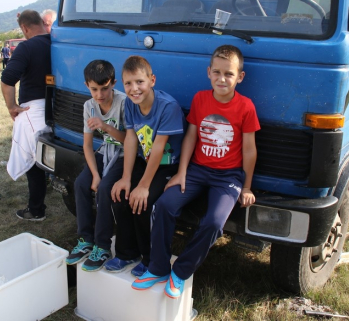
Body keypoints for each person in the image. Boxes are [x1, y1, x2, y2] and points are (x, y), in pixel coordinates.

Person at [132, 45, 260, 299]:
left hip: (229, 177)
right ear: (208, 73)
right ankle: (157, 267)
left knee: (213, 222)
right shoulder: (200, 99)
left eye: (229, 74)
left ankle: (180, 271)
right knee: (164, 205)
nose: (222, 79)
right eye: (217, 72)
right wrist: (181, 173)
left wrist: (246, 187)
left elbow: (249, 150)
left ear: (240, 77)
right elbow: (191, 137)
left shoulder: (246, 107)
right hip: (197, 171)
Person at [107, 55, 186, 277]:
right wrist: (125, 177)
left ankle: (149, 258)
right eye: (128, 84)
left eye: (139, 82)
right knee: (120, 195)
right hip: (147, 161)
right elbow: (131, 139)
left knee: (143, 201)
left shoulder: (167, 107)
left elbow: (159, 149)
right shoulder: (130, 104)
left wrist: (142, 186)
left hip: (167, 165)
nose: (134, 89)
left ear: (152, 80)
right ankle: (126, 253)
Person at [66, 60, 127, 271]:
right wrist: (94, 174)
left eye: (105, 88)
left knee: (104, 190)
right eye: (94, 89)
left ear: (113, 84)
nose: (99, 94)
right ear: (87, 86)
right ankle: (86, 239)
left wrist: (106, 127)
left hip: (123, 155)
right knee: (81, 184)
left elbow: (129, 141)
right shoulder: (89, 106)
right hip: (104, 153)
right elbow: (87, 145)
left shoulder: (124, 103)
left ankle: (102, 246)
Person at [1, 9, 52, 221]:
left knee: (34, 162)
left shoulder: (26, 46)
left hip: (35, 110)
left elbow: (7, 79)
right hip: (61, 108)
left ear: (24, 28)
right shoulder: (58, 43)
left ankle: (36, 209)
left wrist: (12, 106)